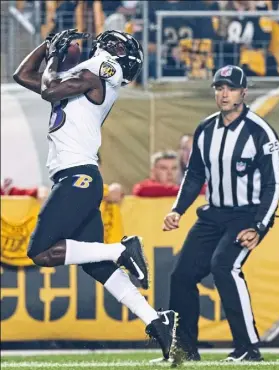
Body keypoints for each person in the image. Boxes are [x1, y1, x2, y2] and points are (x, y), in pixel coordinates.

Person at [12, 29, 182, 365]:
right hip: (77, 177)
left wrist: (56, 55)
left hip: (78, 176)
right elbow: (23, 76)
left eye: (119, 47)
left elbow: (47, 90)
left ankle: (122, 249)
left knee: (40, 252)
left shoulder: (101, 72)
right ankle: (156, 320)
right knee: (96, 268)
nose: (110, 45)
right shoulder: (83, 75)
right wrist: (48, 46)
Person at [162, 65, 279, 362]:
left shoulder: (259, 131)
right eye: (219, 87)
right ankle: (186, 350)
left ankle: (248, 348)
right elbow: (193, 176)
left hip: (246, 215)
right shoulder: (205, 129)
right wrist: (178, 209)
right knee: (181, 275)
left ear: (244, 92)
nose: (224, 93)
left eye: (230, 87)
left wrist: (260, 225)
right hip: (213, 215)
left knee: (224, 267)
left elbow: (273, 183)